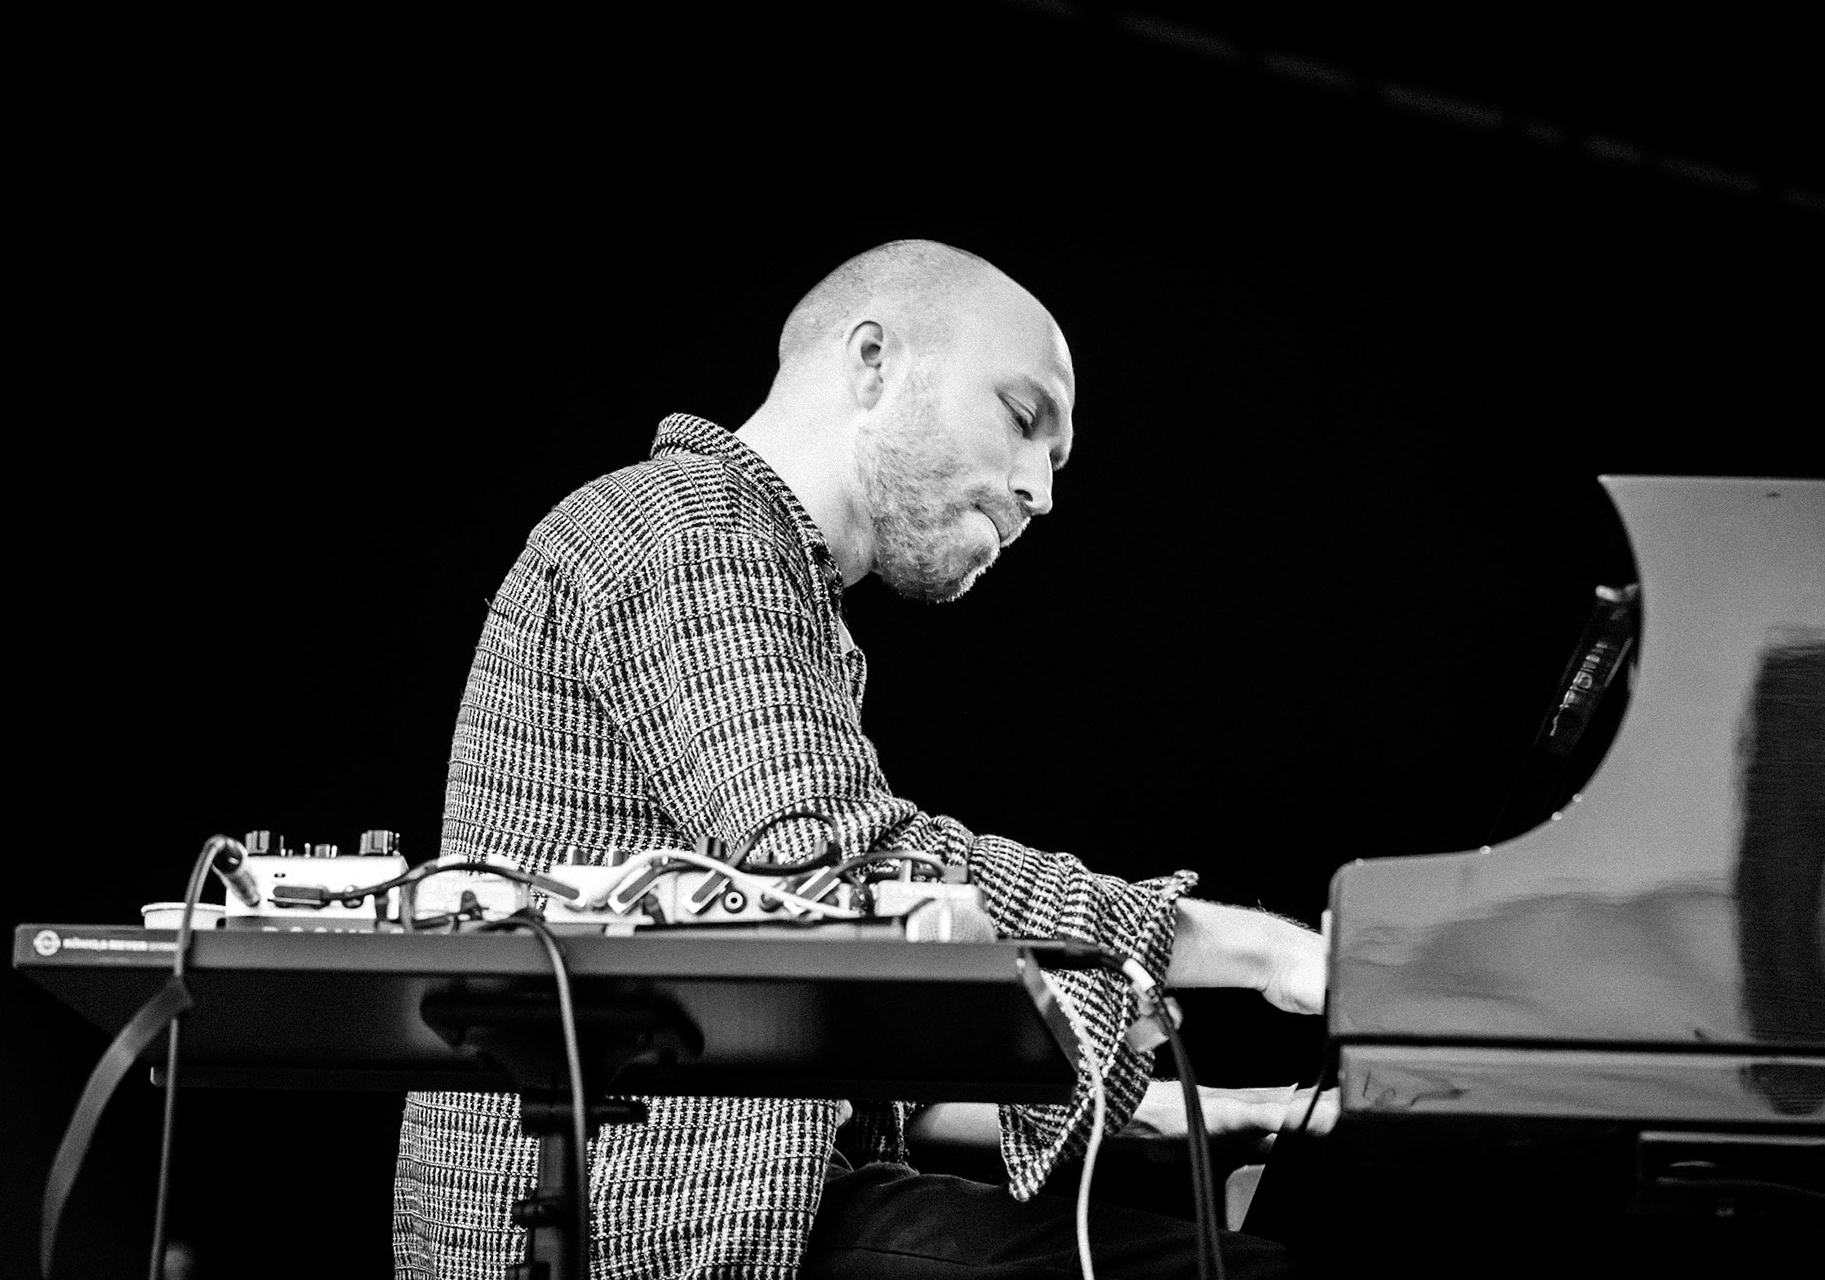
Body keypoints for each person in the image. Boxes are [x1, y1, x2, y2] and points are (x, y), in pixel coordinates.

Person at [393, 240, 1330, 1279]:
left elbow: (844, 1060)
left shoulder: (772, 586)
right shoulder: (689, 528)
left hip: (725, 1201)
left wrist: (1206, 1110)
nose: (1039, 491)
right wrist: (1268, 955)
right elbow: (848, 867)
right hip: (654, 1224)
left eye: (1055, 462)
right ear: (874, 361)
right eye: (1023, 420)